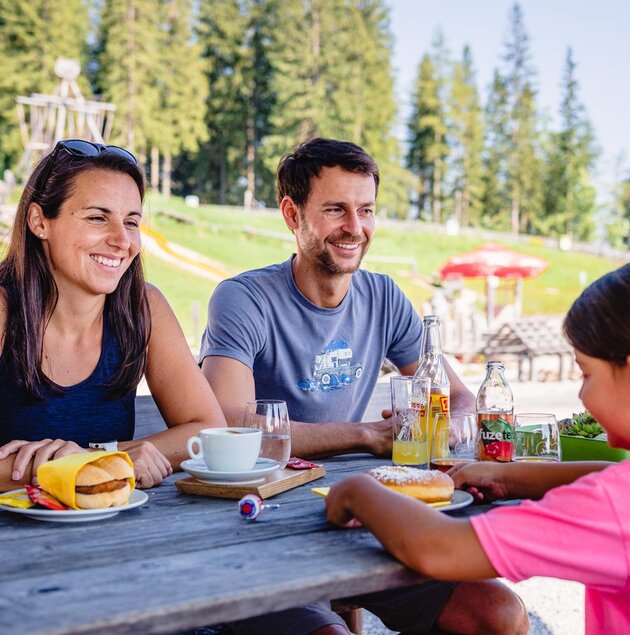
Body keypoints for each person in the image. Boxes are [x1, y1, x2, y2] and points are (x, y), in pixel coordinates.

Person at [327, 256, 630, 633]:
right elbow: (622, 480)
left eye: (586, 373)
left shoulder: (629, 505)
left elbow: (438, 549)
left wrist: (358, 490)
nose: (581, 395)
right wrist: (509, 476)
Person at [200, 138, 527, 635]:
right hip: (266, 528)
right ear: (292, 214)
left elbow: (458, 397)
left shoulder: (384, 296)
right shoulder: (243, 298)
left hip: (362, 520)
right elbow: (229, 423)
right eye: (336, 209)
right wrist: (366, 435)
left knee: (499, 614)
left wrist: (448, 428)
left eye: (366, 210)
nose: (355, 227)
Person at [0, 139, 225, 494]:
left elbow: (210, 431)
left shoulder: (144, 307)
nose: (122, 240)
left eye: (131, 222)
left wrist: (102, 458)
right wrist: (76, 466)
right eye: (97, 218)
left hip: (105, 520)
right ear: (39, 221)